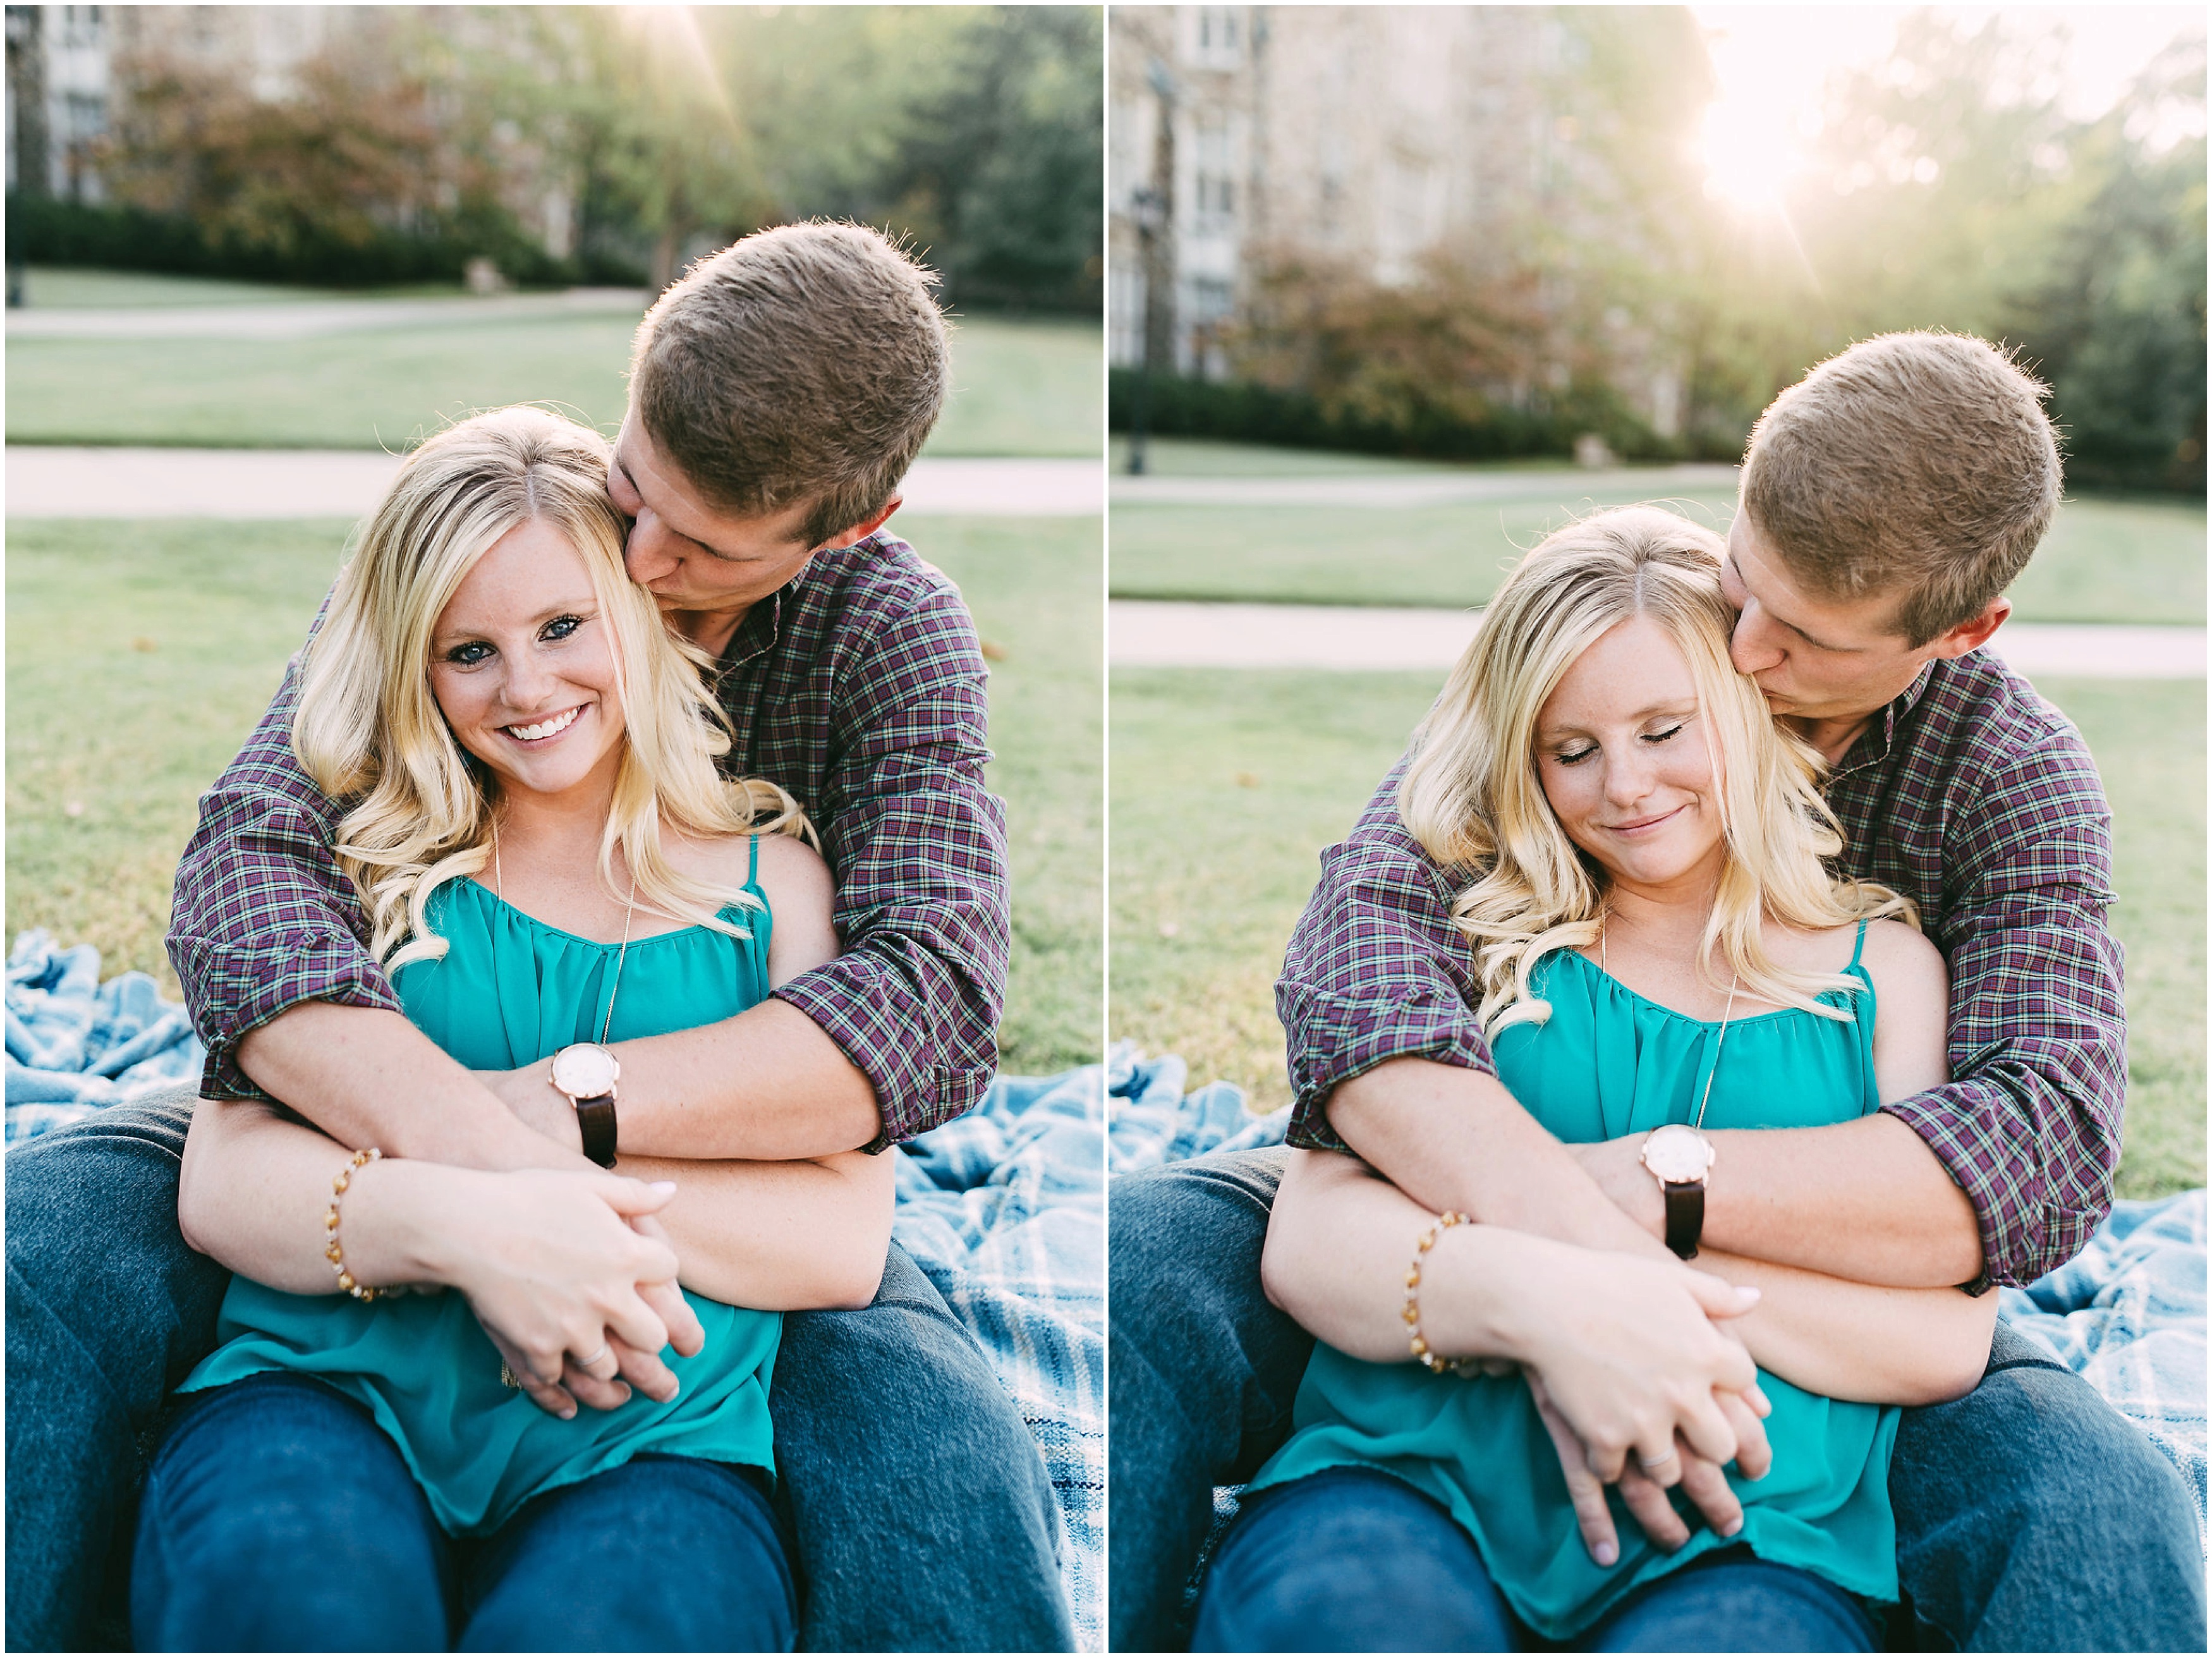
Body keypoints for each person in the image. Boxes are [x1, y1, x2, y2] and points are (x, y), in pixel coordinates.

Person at [7, 223, 1073, 1653]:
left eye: (693, 548)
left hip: (684, 1147)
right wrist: (489, 1190)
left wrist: (555, 1138)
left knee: (932, 1440)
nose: (639, 557)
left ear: (844, 530)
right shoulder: (510, 537)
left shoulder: (885, 637)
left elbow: (927, 1005)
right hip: (373, 1067)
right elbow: (251, 880)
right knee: (43, 1248)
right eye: (634, 488)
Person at [1109, 332, 2206, 1652]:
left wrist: (1658, 1196)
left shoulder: (2005, 776)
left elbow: (2036, 1151)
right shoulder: (1635, 635)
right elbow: (1360, 982)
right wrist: (1573, 1282)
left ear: (1958, 633)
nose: (1740, 646)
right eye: (1741, 578)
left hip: (1792, 1266)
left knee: (2096, 1500)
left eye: (1799, 636)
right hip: (1463, 1166)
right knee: (1137, 1264)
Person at [133, 406, 896, 1650]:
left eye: (560, 628)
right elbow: (224, 1181)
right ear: (413, 666)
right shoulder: (363, 864)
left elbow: (840, 1237)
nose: (529, 687)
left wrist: (528, 1197)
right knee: (293, 1610)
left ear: (634, 614)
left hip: (654, 1445)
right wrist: (485, 1234)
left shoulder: (777, 889)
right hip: (324, 1392)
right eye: (468, 650)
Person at [1196, 508, 1994, 1650]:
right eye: (1572, 751)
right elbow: (1312, 1247)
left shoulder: (1887, 976)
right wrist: (1565, 1314)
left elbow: (1942, 1340)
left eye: (1666, 729)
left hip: (1749, 1530)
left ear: (1750, 706)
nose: (1624, 785)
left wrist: (1635, 1277)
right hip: (1411, 1476)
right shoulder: (1486, 939)